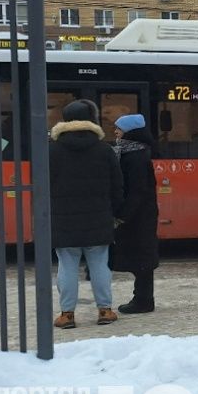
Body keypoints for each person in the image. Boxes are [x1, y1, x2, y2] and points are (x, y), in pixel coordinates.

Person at [50, 99, 124, 328]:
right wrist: (116, 212)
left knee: (67, 265)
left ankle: (67, 315)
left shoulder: (51, 150)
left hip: (63, 218)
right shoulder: (104, 149)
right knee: (100, 264)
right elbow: (117, 184)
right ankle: (105, 310)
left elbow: (41, 185)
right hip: (99, 217)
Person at [111, 114, 161, 314]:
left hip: (139, 216)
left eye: (119, 128)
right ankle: (141, 297)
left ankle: (143, 300)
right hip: (140, 214)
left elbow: (137, 190)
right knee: (141, 256)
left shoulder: (136, 156)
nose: (115, 132)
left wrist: (123, 214)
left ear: (130, 131)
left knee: (142, 257)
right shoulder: (135, 152)